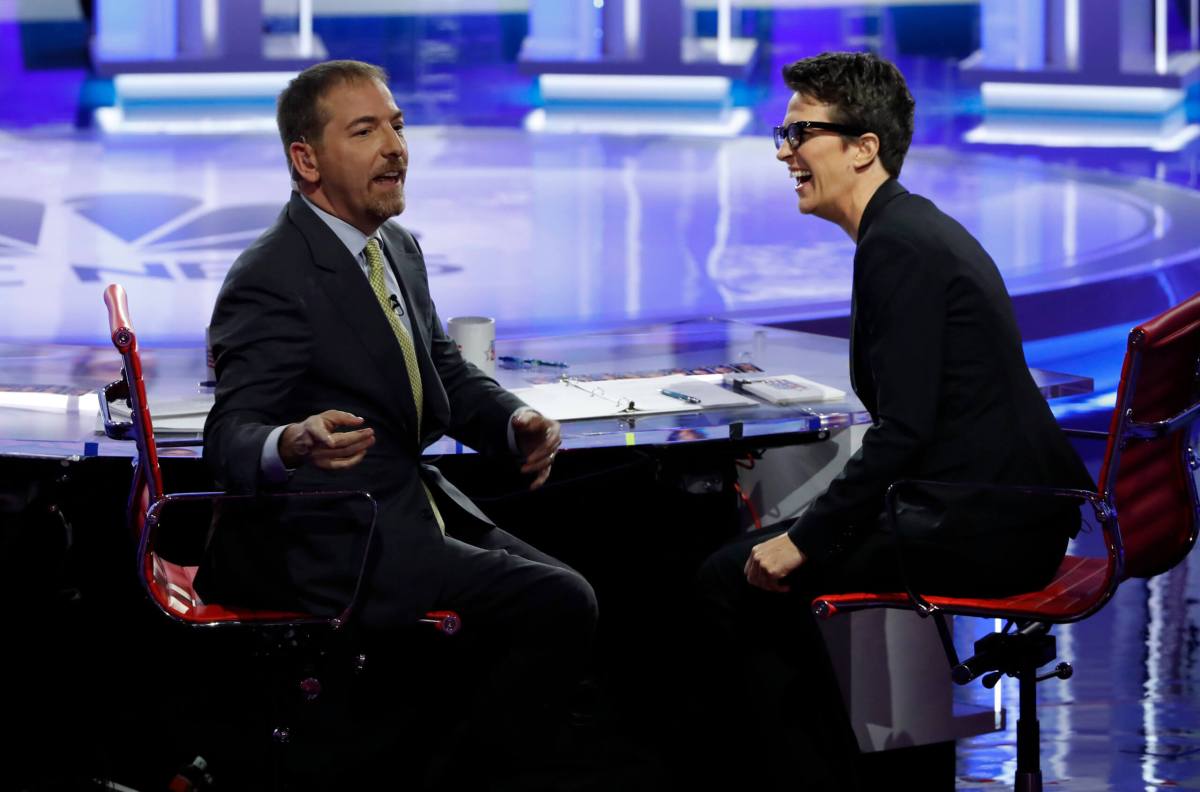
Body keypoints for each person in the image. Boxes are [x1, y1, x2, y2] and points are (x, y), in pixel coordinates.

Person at [694, 51, 1094, 790]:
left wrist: (804, 540)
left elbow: (903, 434)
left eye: (800, 133)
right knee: (761, 564)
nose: (784, 153)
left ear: (862, 147)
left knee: (737, 575)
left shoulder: (901, 248)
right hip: (1002, 512)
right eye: (781, 134)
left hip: (987, 527)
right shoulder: (906, 231)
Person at [196, 59, 597, 787]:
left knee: (567, 588)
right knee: (560, 604)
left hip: (407, 507)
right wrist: (291, 441)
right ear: (306, 159)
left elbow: (441, 367)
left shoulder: (394, 247)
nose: (396, 146)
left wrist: (517, 421)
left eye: (398, 125)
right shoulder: (274, 275)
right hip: (335, 539)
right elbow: (228, 437)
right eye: (366, 130)